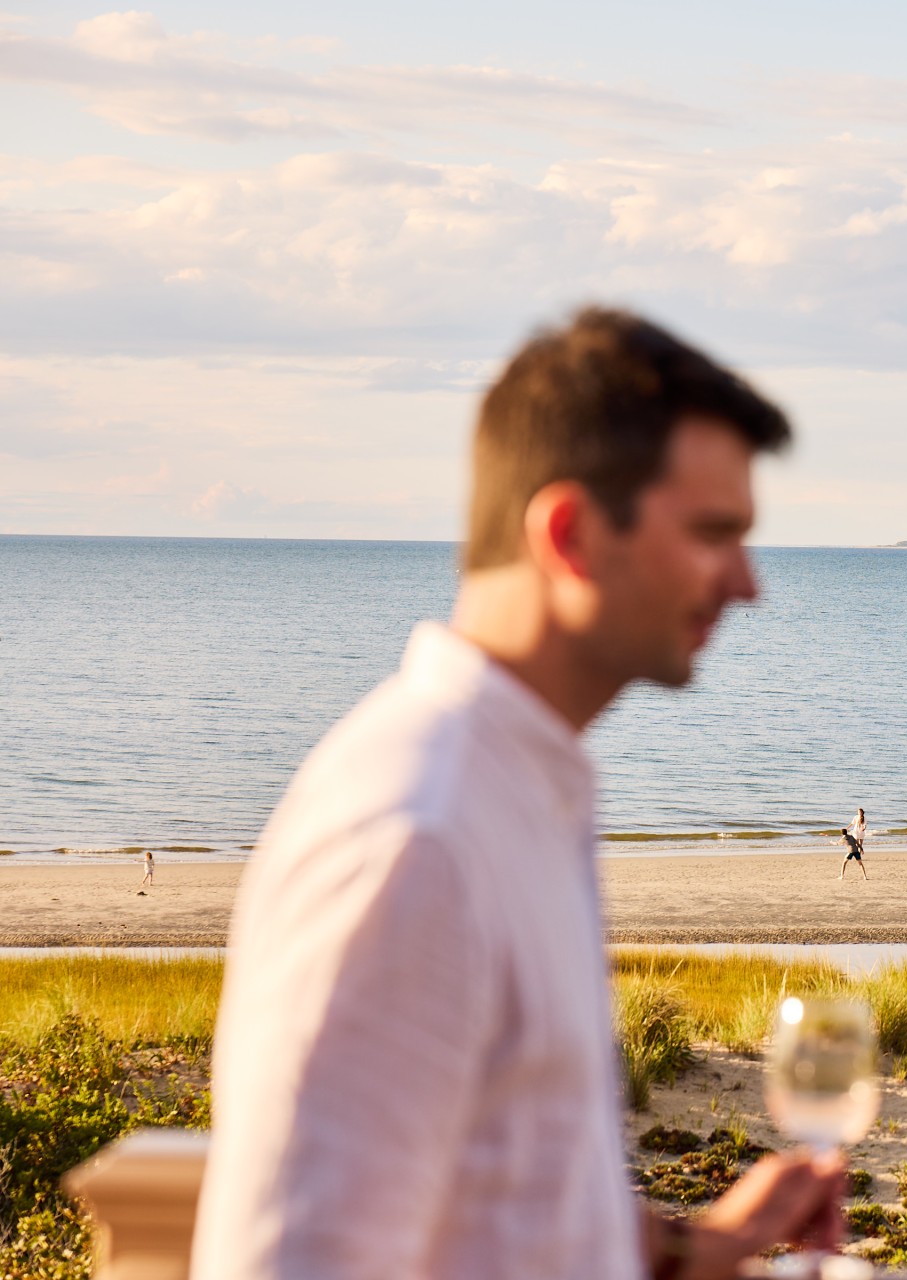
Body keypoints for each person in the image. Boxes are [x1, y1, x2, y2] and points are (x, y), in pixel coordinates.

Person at [193, 309, 841, 1280]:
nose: (748, 584)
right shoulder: (419, 838)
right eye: (714, 534)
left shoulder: (515, 789)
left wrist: (692, 1247)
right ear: (572, 533)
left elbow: (495, 1193)